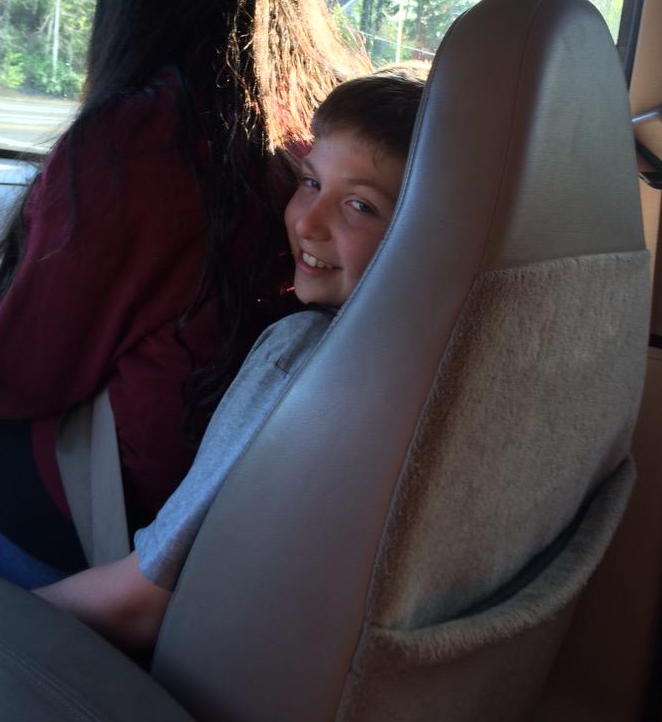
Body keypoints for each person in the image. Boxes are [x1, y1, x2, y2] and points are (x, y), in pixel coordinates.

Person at [0, 0, 365, 583]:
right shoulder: (317, 146)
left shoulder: (137, 143)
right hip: (226, 505)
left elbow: (20, 377)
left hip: (128, 509)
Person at [34, 71, 425, 655]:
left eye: (360, 205)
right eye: (310, 182)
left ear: (428, 231)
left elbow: (137, 606)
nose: (307, 221)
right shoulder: (443, 362)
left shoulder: (299, 356)